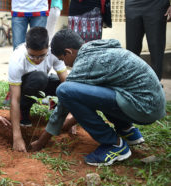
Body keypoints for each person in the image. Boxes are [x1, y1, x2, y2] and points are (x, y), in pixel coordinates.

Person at [31, 29, 166, 166]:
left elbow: (65, 103)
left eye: (62, 59)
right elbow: (89, 97)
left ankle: (114, 144)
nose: (65, 64)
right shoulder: (96, 49)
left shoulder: (85, 64)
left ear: (68, 52)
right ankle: (127, 131)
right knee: (102, 86)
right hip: (153, 102)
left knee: (64, 89)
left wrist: (42, 140)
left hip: (144, 108)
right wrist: (70, 123)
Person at [9, 27, 67, 152]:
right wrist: (17, 136)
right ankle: (24, 114)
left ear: (48, 47)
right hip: (26, 87)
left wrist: (72, 113)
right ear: (26, 47)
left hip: (43, 83)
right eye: (32, 56)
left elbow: (66, 83)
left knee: (62, 86)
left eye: (42, 56)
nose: (37, 60)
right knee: (39, 78)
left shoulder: (54, 53)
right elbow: (14, 99)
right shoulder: (17, 59)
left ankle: (61, 114)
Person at [125, 0, 171, 81]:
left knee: (156, 47)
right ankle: (131, 82)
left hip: (157, 4)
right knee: (132, 48)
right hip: (132, 4)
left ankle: (155, 84)